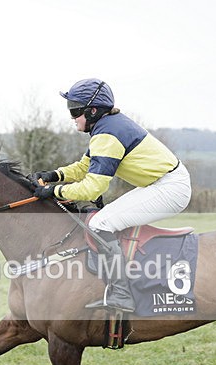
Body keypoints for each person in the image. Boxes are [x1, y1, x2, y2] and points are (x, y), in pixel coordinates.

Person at [31, 78, 192, 312]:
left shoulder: (108, 135)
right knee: (103, 219)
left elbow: (92, 188)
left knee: (100, 223)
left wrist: (52, 191)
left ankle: (122, 293)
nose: (72, 117)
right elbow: (84, 166)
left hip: (170, 188)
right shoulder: (105, 128)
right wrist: (55, 175)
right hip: (162, 183)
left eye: (75, 110)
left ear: (93, 111)